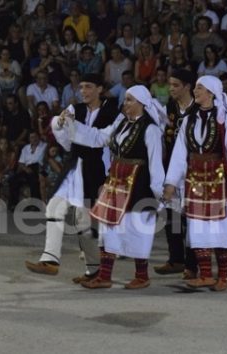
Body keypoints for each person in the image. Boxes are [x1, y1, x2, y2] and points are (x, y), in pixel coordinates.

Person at [57, 85, 165, 289]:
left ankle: (142, 276)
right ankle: (104, 277)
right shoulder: (121, 123)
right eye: (125, 100)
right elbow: (98, 137)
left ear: (142, 103)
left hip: (138, 185)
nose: (125, 104)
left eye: (130, 100)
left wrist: (159, 194)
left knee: (136, 230)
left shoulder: (150, 129)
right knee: (109, 230)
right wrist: (73, 124)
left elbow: (155, 163)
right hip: (116, 182)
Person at [163, 75, 227, 291]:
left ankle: (223, 276)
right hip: (194, 179)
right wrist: (171, 183)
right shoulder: (189, 119)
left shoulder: (225, 120)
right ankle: (205, 274)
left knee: (221, 227)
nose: (195, 91)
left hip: (218, 180)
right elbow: (180, 153)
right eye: (195, 87)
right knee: (198, 227)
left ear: (211, 93)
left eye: (200, 88)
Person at [24, 73, 119, 283]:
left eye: (88, 87)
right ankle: (50, 259)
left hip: (96, 169)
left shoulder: (113, 113)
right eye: (81, 87)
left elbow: (102, 139)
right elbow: (65, 139)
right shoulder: (77, 109)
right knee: (54, 206)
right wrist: (59, 123)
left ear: (100, 89)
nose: (83, 91)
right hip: (74, 164)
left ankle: (94, 270)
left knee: (84, 221)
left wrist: (73, 127)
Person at [154, 69, 198, 279]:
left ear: (188, 86)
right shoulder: (170, 107)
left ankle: (193, 263)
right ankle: (176, 259)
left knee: (192, 217)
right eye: (170, 85)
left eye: (175, 85)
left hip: (194, 169)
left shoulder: (199, 108)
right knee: (171, 215)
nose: (171, 89)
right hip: (172, 167)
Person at [9, 131, 46, 208]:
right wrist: (25, 169)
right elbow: (21, 162)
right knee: (13, 180)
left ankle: (35, 205)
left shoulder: (44, 146)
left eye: (35, 136)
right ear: (29, 139)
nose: (34, 139)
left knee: (33, 179)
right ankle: (13, 204)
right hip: (26, 168)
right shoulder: (25, 148)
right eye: (32, 137)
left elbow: (45, 159)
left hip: (38, 167)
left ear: (39, 137)